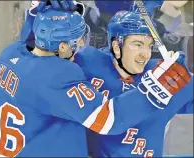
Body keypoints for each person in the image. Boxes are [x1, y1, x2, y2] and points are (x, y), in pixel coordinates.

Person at [0, 3, 191, 157]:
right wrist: (156, 89)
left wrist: (36, 12)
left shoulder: (12, 54)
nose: (81, 44)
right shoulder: (64, 72)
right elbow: (107, 119)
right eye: (76, 40)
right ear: (116, 46)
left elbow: (31, 40)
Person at [74, 10, 193, 157]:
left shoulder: (166, 73)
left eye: (149, 46)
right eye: (138, 44)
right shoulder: (87, 62)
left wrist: (185, 73)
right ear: (116, 47)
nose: (146, 54)